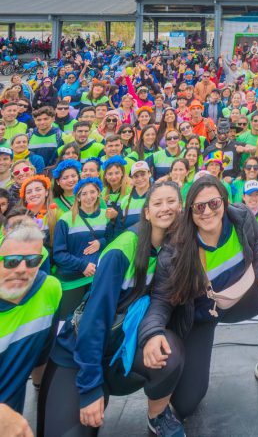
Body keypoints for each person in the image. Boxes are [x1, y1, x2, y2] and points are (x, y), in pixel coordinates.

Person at [138, 175, 258, 420]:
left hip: (238, 300)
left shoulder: (242, 218)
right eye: (199, 207)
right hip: (201, 315)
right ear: (189, 210)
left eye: (214, 204)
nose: (207, 212)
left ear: (224, 203)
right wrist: (152, 333)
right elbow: (161, 299)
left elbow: (257, 242)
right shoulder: (176, 249)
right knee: (185, 405)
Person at [39, 182, 186, 437]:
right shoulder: (122, 250)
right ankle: (95, 385)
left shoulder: (176, 249)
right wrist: (90, 388)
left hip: (120, 349)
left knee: (170, 353)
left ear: (181, 207)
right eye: (158, 203)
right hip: (80, 355)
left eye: (171, 201)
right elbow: (94, 321)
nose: (166, 208)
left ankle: (158, 415)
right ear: (147, 212)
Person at [0, 220, 62, 414]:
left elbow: (43, 351)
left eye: (32, 261)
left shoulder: (49, 289)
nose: (22, 269)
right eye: (11, 261)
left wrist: (43, 391)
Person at [52, 177, 109, 317]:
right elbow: (59, 254)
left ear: (98, 194)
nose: (88, 197)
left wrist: (101, 242)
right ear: (77, 198)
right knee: (67, 325)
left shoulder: (106, 216)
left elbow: (115, 239)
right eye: (84, 194)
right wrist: (82, 265)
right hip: (72, 281)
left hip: (98, 280)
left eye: (92, 192)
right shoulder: (65, 219)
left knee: (94, 322)